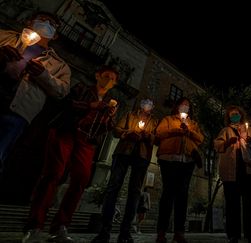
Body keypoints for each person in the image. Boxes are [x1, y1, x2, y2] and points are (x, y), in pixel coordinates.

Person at [22, 65, 119, 243]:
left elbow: (104, 128)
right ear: (97, 75)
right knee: (53, 174)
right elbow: (66, 103)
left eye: (113, 79)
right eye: (106, 76)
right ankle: (34, 226)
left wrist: (110, 118)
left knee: (81, 179)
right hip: (66, 132)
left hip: (86, 141)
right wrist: (91, 105)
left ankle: (60, 226)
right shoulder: (81, 88)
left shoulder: (109, 101)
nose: (109, 81)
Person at [0, 11, 71, 175]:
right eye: (43, 20)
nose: (47, 24)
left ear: (55, 36)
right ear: (29, 22)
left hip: (17, 112)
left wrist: (43, 75)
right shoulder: (5, 37)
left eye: (52, 24)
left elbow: (62, 91)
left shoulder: (59, 66)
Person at [91, 98, 158, 243]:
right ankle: (104, 231)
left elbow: (157, 138)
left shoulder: (154, 121)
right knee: (112, 188)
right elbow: (116, 130)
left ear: (152, 107)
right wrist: (128, 133)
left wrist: (147, 136)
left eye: (150, 103)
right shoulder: (129, 115)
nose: (147, 105)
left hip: (142, 156)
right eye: (145, 102)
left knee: (135, 192)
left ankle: (125, 232)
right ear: (141, 105)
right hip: (123, 152)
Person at [155, 97, 204, 243]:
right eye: (183, 104)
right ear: (177, 106)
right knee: (168, 193)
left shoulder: (193, 123)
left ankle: (179, 232)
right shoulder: (168, 119)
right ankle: (161, 232)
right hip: (169, 158)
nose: (185, 107)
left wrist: (189, 131)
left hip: (187, 160)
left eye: (187, 105)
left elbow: (200, 138)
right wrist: (176, 130)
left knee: (182, 195)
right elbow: (159, 133)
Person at [214, 105, 251, 243]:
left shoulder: (250, 130)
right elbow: (217, 145)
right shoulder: (225, 130)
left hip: (249, 171)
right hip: (231, 171)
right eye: (232, 114)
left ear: (241, 115)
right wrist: (228, 142)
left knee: (250, 204)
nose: (234, 115)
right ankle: (233, 234)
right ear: (228, 116)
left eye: (237, 113)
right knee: (232, 204)